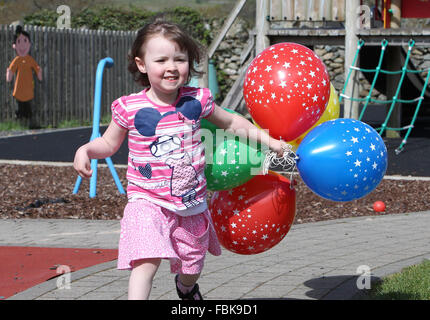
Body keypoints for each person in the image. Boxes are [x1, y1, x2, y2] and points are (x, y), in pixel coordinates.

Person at [73, 19, 288, 300]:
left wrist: (270, 141)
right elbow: (108, 143)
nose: (171, 66)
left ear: (190, 62)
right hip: (146, 201)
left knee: (192, 264)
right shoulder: (129, 107)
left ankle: (186, 289)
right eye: (161, 59)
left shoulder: (196, 100)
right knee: (145, 262)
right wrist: (86, 150)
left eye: (179, 59)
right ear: (141, 65)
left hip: (190, 204)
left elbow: (232, 123)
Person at [6, 25, 42, 128]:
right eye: (19, 42)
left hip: (28, 89)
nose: (22, 45)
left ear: (29, 44)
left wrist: (39, 73)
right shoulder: (16, 60)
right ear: (14, 45)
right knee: (20, 107)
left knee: (27, 107)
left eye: (25, 41)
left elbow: (37, 68)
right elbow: (11, 71)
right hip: (19, 89)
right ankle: (21, 123)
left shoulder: (30, 59)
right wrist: (8, 75)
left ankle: (27, 123)